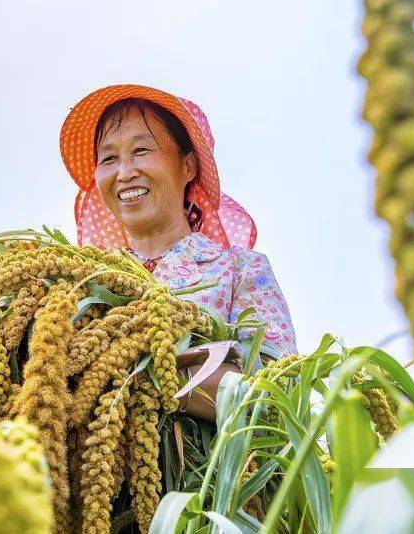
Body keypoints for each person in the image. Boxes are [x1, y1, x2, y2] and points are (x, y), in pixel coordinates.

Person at [60, 84, 297, 421]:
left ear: (187, 167)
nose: (125, 172)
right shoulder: (79, 285)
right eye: (109, 158)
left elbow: (277, 394)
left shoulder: (240, 270)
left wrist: (131, 367)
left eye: (141, 150)